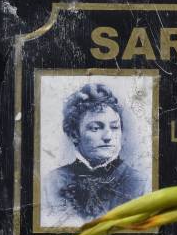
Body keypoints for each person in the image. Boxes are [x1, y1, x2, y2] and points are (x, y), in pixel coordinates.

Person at [42, 83, 149, 227]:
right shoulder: (52, 183)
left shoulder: (140, 183)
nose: (108, 136)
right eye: (96, 128)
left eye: (114, 127)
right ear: (74, 134)